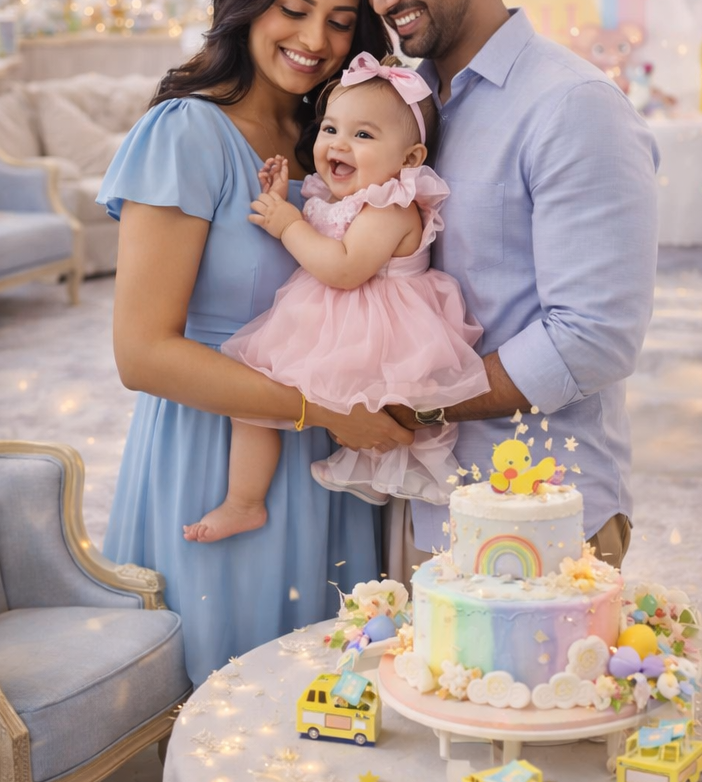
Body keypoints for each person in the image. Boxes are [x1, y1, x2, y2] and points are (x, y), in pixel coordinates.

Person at [98, 0, 414, 684]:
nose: (316, 38)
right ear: (248, 1)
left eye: (342, 22)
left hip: (328, 463)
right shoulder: (187, 133)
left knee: (329, 709)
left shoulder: (330, 139)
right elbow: (141, 354)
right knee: (230, 712)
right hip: (219, 451)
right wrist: (327, 412)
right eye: (294, 8)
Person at [342, 0, 659, 568]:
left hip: (541, 510)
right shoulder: (402, 107)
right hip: (423, 499)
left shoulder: (572, 106)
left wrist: (416, 404)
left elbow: (592, 338)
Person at [185, 53, 490, 542]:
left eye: (363, 135)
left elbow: (344, 269)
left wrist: (287, 225)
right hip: (335, 323)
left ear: (410, 159)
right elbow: (325, 230)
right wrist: (288, 203)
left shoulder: (392, 207)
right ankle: (244, 501)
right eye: (330, 129)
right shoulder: (341, 197)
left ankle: (338, 481)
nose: (338, 144)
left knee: (307, 405)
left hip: (378, 335)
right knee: (254, 398)